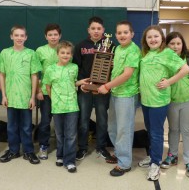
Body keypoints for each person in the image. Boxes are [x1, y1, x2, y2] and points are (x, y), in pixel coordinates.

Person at [139, 25, 189, 181]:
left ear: (161, 38)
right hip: (146, 100)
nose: (152, 39)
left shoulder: (167, 53)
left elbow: (185, 69)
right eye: (149, 37)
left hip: (158, 101)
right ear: (145, 40)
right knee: (150, 130)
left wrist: (169, 81)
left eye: (156, 36)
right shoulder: (146, 54)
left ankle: (155, 163)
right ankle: (153, 157)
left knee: (156, 133)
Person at [98, 20, 141, 177]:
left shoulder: (133, 50)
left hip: (127, 95)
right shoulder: (117, 48)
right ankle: (119, 152)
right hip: (116, 93)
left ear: (132, 34)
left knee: (124, 129)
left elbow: (127, 74)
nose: (122, 35)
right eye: (119, 33)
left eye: (125, 32)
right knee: (113, 126)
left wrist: (107, 86)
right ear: (115, 35)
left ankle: (124, 163)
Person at [0, 25, 42, 165]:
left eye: (22, 35)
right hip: (11, 97)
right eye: (16, 35)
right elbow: (2, 75)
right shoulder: (5, 53)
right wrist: (4, 96)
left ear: (26, 37)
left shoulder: (31, 54)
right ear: (11, 36)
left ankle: (29, 151)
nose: (19, 38)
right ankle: (13, 150)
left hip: (25, 97)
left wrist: (32, 97)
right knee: (11, 126)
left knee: (26, 126)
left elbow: (34, 75)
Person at [43, 40, 89, 173]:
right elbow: (47, 86)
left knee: (71, 134)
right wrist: (55, 99)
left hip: (71, 106)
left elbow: (73, 83)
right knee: (59, 133)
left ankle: (70, 161)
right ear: (57, 54)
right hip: (57, 107)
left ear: (71, 55)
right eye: (62, 53)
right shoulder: (50, 69)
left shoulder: (74, 67)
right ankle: (60, 156)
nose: (65, 55)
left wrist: (81, 82)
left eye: (68, 53)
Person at [73, 16, 114, 161]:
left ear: (103, 30)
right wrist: (81, 83)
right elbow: (75, 67)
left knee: (102, 120)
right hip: (85, 89)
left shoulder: (110, 45)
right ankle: (82, 147)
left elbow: (114, 68)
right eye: (93, 28)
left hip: (102, 89)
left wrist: (107, 85)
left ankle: (101, 147)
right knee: (83, 120)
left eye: (99, 29)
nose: (96, 31)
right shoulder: (80, 46)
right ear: (88, 30)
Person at [160, 31, 189, 177]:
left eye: (178, 43)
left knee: (187, 130)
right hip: (171, 101)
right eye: (172, 43)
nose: (175, 46)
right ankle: (173, 155)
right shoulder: (164, 58)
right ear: (166, 45)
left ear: (182, 44)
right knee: (173, 129)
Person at [36, 23, 61, 160]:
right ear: (46, 36)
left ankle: (61, 146)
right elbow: (36, 72)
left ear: (60, 36)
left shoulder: (64, 49)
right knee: (45, 121)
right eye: (50, 35)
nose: (53, 37)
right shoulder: (40, 50)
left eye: (55, 34)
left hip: (61, 92)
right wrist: (38, 90)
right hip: (45, 92)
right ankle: (43, 146)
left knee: (60, 121)